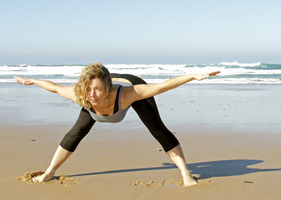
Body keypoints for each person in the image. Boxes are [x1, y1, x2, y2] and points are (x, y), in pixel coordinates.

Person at [14, 62, 220, 186]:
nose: (92, 96)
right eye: (87, 89)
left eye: (97, 90)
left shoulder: (129, 94)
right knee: (76, 132)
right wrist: (31, 80)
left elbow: (162, 86)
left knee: (157, 129)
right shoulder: (82, 95)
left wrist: (192, 76)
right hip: (105, 85)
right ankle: (49, 172)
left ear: (107, 87)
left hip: (130, 84)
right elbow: (55, 87)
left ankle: (186, 172)